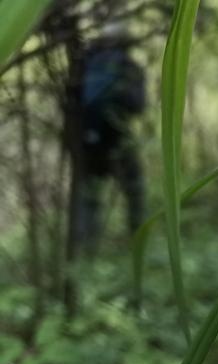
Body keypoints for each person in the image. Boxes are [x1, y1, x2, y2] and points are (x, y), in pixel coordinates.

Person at [76, 23, 146, 248]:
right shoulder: (129, 67)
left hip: (90, 142)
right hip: (119, 140)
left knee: (90, 197)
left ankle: (88, 248)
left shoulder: (85, 64)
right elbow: (138, 105)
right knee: (134, 191)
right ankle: (137, 240)